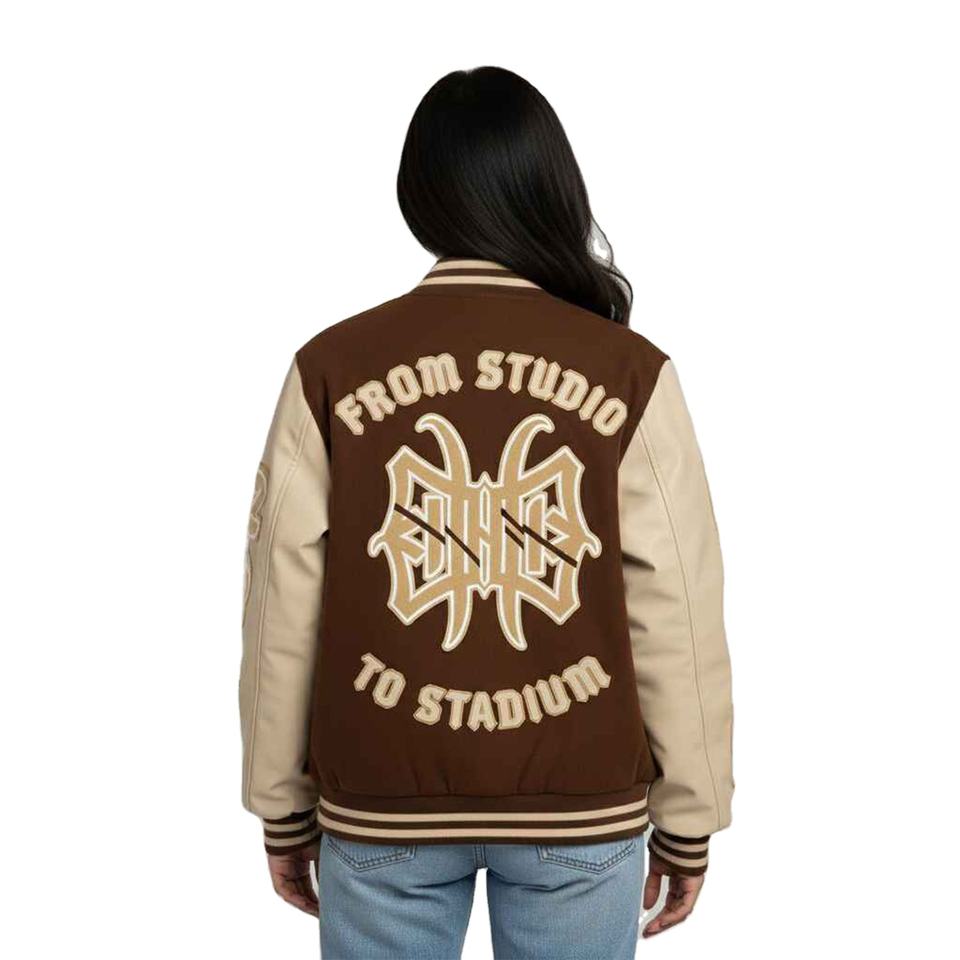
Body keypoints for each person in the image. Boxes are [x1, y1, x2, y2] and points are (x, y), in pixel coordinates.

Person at [240, 66, 733, 960]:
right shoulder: (629, 372)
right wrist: (691, 813)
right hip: (578, 802)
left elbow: (282, 606)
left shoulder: (331, 367)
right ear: (551, 185)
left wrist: (280, 801)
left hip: (383, 796)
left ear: (417, 196)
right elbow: (678, 608)